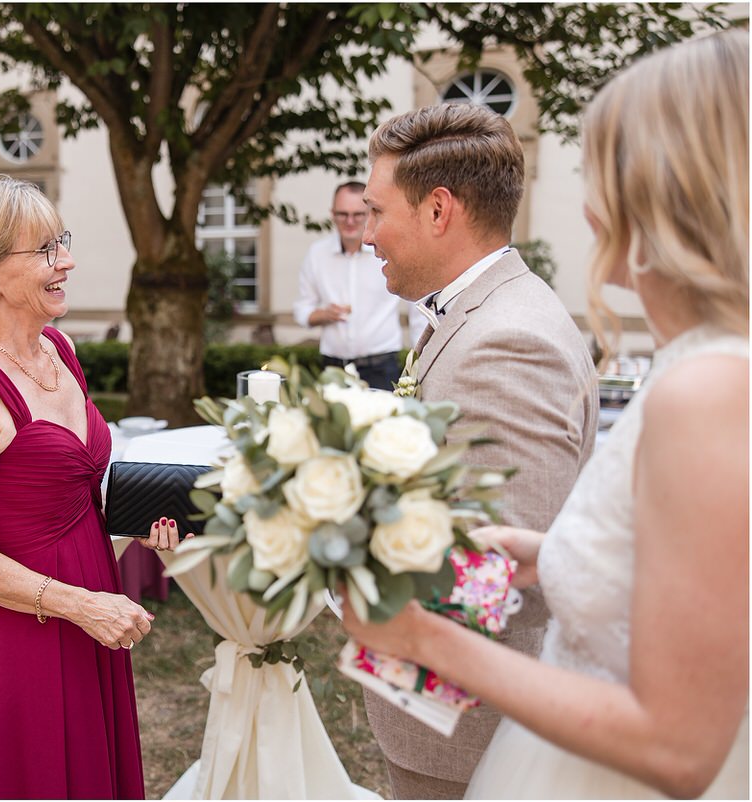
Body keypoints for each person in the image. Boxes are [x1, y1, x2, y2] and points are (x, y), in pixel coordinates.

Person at [343, 29, 749, 799]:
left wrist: (413, 630)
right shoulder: (703, 363)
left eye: (605, 173)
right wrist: (549, 553)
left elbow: (682, 743)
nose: (592, 212)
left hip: (491, 741)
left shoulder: (520, 341)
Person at [355, 103, 600, 797]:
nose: (369, 236)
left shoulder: (507, 342)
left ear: (438, 210)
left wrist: (327, 567)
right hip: (442, 715)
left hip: (469, 739)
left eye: (377, 211)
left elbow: (498, 578)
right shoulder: (475, 313)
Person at [0, 176, 183, 799]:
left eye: (61, 242)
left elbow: (73, 495)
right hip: (25, 632)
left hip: (93, 604)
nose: (65, 259)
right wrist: (78, 604)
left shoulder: (61, 349)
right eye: (44, 250)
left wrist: (136, 523)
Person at [293, 181, 425, 390]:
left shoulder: (390, 251)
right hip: (333, 368)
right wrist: (323, 315)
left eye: (357, 214)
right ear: (332, 214)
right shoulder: (317, 254)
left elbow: (417, 309)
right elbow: (302, 309)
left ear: (370, 214)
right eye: (342, 214)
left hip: (382, 367)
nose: (350, 221)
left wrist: (421, 361)